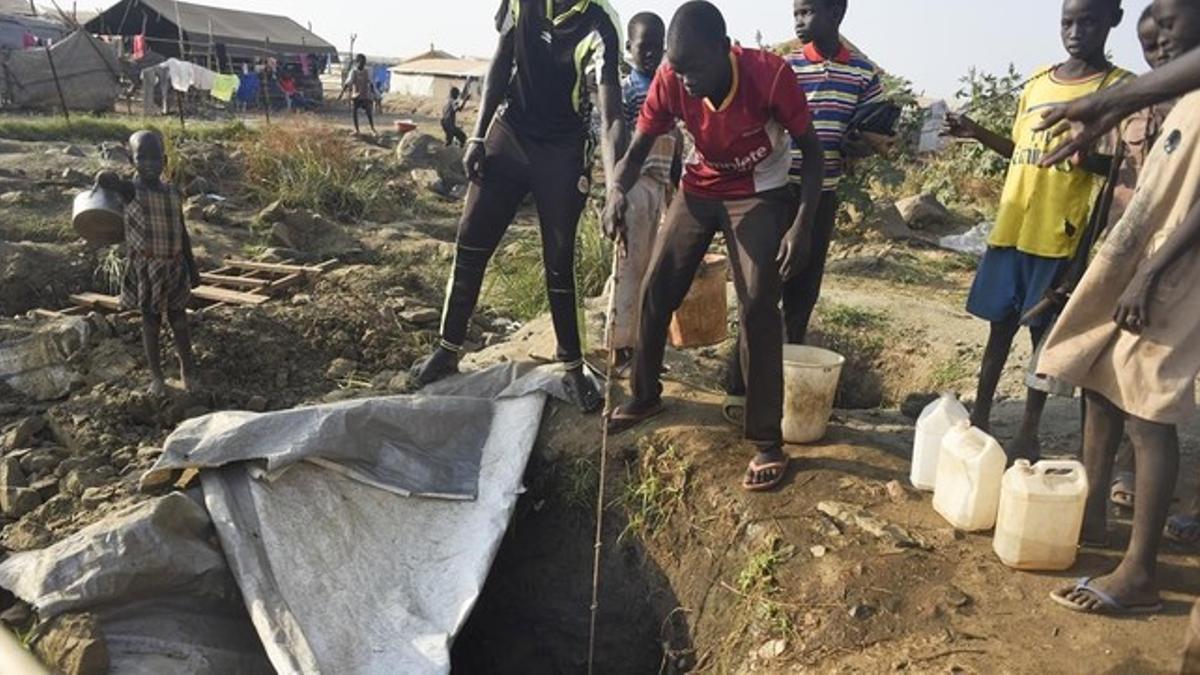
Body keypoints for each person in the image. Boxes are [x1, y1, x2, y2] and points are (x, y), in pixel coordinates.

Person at [602, 1, 825, 492]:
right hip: (699, 189)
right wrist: (616, 190)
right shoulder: (670, 76)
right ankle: (644, 394)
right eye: (678, 71)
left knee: (759, 304)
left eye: (695, 69)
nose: (687, 82)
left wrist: (801, 226)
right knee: (657, 288)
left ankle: (768, 440)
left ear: (724, 51)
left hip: (759, 191)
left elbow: (812, 151)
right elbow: (637, 148)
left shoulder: (769, 76)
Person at [1039, 0, 1200, 616]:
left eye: (1169, 17)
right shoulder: (1180, 99)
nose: (1155, 33)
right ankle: (1095, 519)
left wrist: (1152, 275)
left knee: (1150, 409)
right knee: (1104, 384)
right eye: (1149, 25)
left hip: (1178, 271)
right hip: (1148, 264)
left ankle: (1140, 573)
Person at [411, 0, 628, 413]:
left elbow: (611, 114)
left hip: (562, 149)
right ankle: (447, 348)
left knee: (560, 259)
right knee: (471, 240)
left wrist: (615, 183)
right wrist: (476, 136)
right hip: (510, 132)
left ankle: (572, 365)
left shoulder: (601, 22)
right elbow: (501, 59)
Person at [941, 0, 1130, 464]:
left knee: (1041, 340)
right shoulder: (1038, 81)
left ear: (1114, 21)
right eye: (1068, 21)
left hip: (1061, 233)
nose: (1076, 31)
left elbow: (1125, 168)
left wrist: (1090, 159)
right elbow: (1021, 149)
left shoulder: (1119, 88)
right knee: (998, 328)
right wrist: (975, 132)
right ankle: (981, 418)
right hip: (1013, 227)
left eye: (1088, 21)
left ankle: (1028, 432)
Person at [724, 0, 885, 422]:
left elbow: (874, 134)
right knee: (759, 289)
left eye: (808, 11)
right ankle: (740, 386)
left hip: (822, 194)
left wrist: (861, 145)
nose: (798, 20)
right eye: (795, 12)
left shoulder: (864, 74)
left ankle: (788, 386)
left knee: (803, 290)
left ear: (837, 14)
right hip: (774, 190)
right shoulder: (785, 66)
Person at [1106, 5, 1175, 512]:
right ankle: (1104, 476)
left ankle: (1138, 470)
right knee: (1114, 367)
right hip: (1123, 248)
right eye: (1149, 44)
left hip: (1171, 258)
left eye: (1167, 37)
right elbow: (1114, 180)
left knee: (1153, 384)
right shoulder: (1136, 106)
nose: (1159, 51)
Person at [95, 131, 200, 397]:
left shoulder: (173, 192)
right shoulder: (130, 190)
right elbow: (107, 181)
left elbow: (182, 230)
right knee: (150, 321)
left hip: (174, 265)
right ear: (132, 160)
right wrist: (105, 178)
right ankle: (157, 377)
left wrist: (192, 265)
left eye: (156, 158)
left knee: (179, 320)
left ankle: (188, 370)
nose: (150, 164)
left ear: (164, 160)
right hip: (147, 267)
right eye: (143, 158)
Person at [607, 11, 680, 374]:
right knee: (630, 266)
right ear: (628, 49)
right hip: (635, 185)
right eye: (643, 47)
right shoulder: (627, 88)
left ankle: (645, 347)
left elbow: (678, 141)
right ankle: (622, 348)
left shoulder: (671, 85)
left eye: (657, 46)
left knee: (653, 268)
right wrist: (615, 191)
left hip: (661, 185)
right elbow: (616, 138)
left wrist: (677, 187)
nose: (651, 53)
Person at [339, 55, 377, 135]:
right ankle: (357, 130)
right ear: (357, 62)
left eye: (364, 62)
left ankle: (372, 128)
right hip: (356, 96)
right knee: (354, 112)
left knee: (369, 112)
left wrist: (374, 94)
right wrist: (341, 93)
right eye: (361, 62)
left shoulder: (367, 72)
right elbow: (348, 83)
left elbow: (371, 83)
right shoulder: (354, 72)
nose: (363, 64)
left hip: (365, 95)